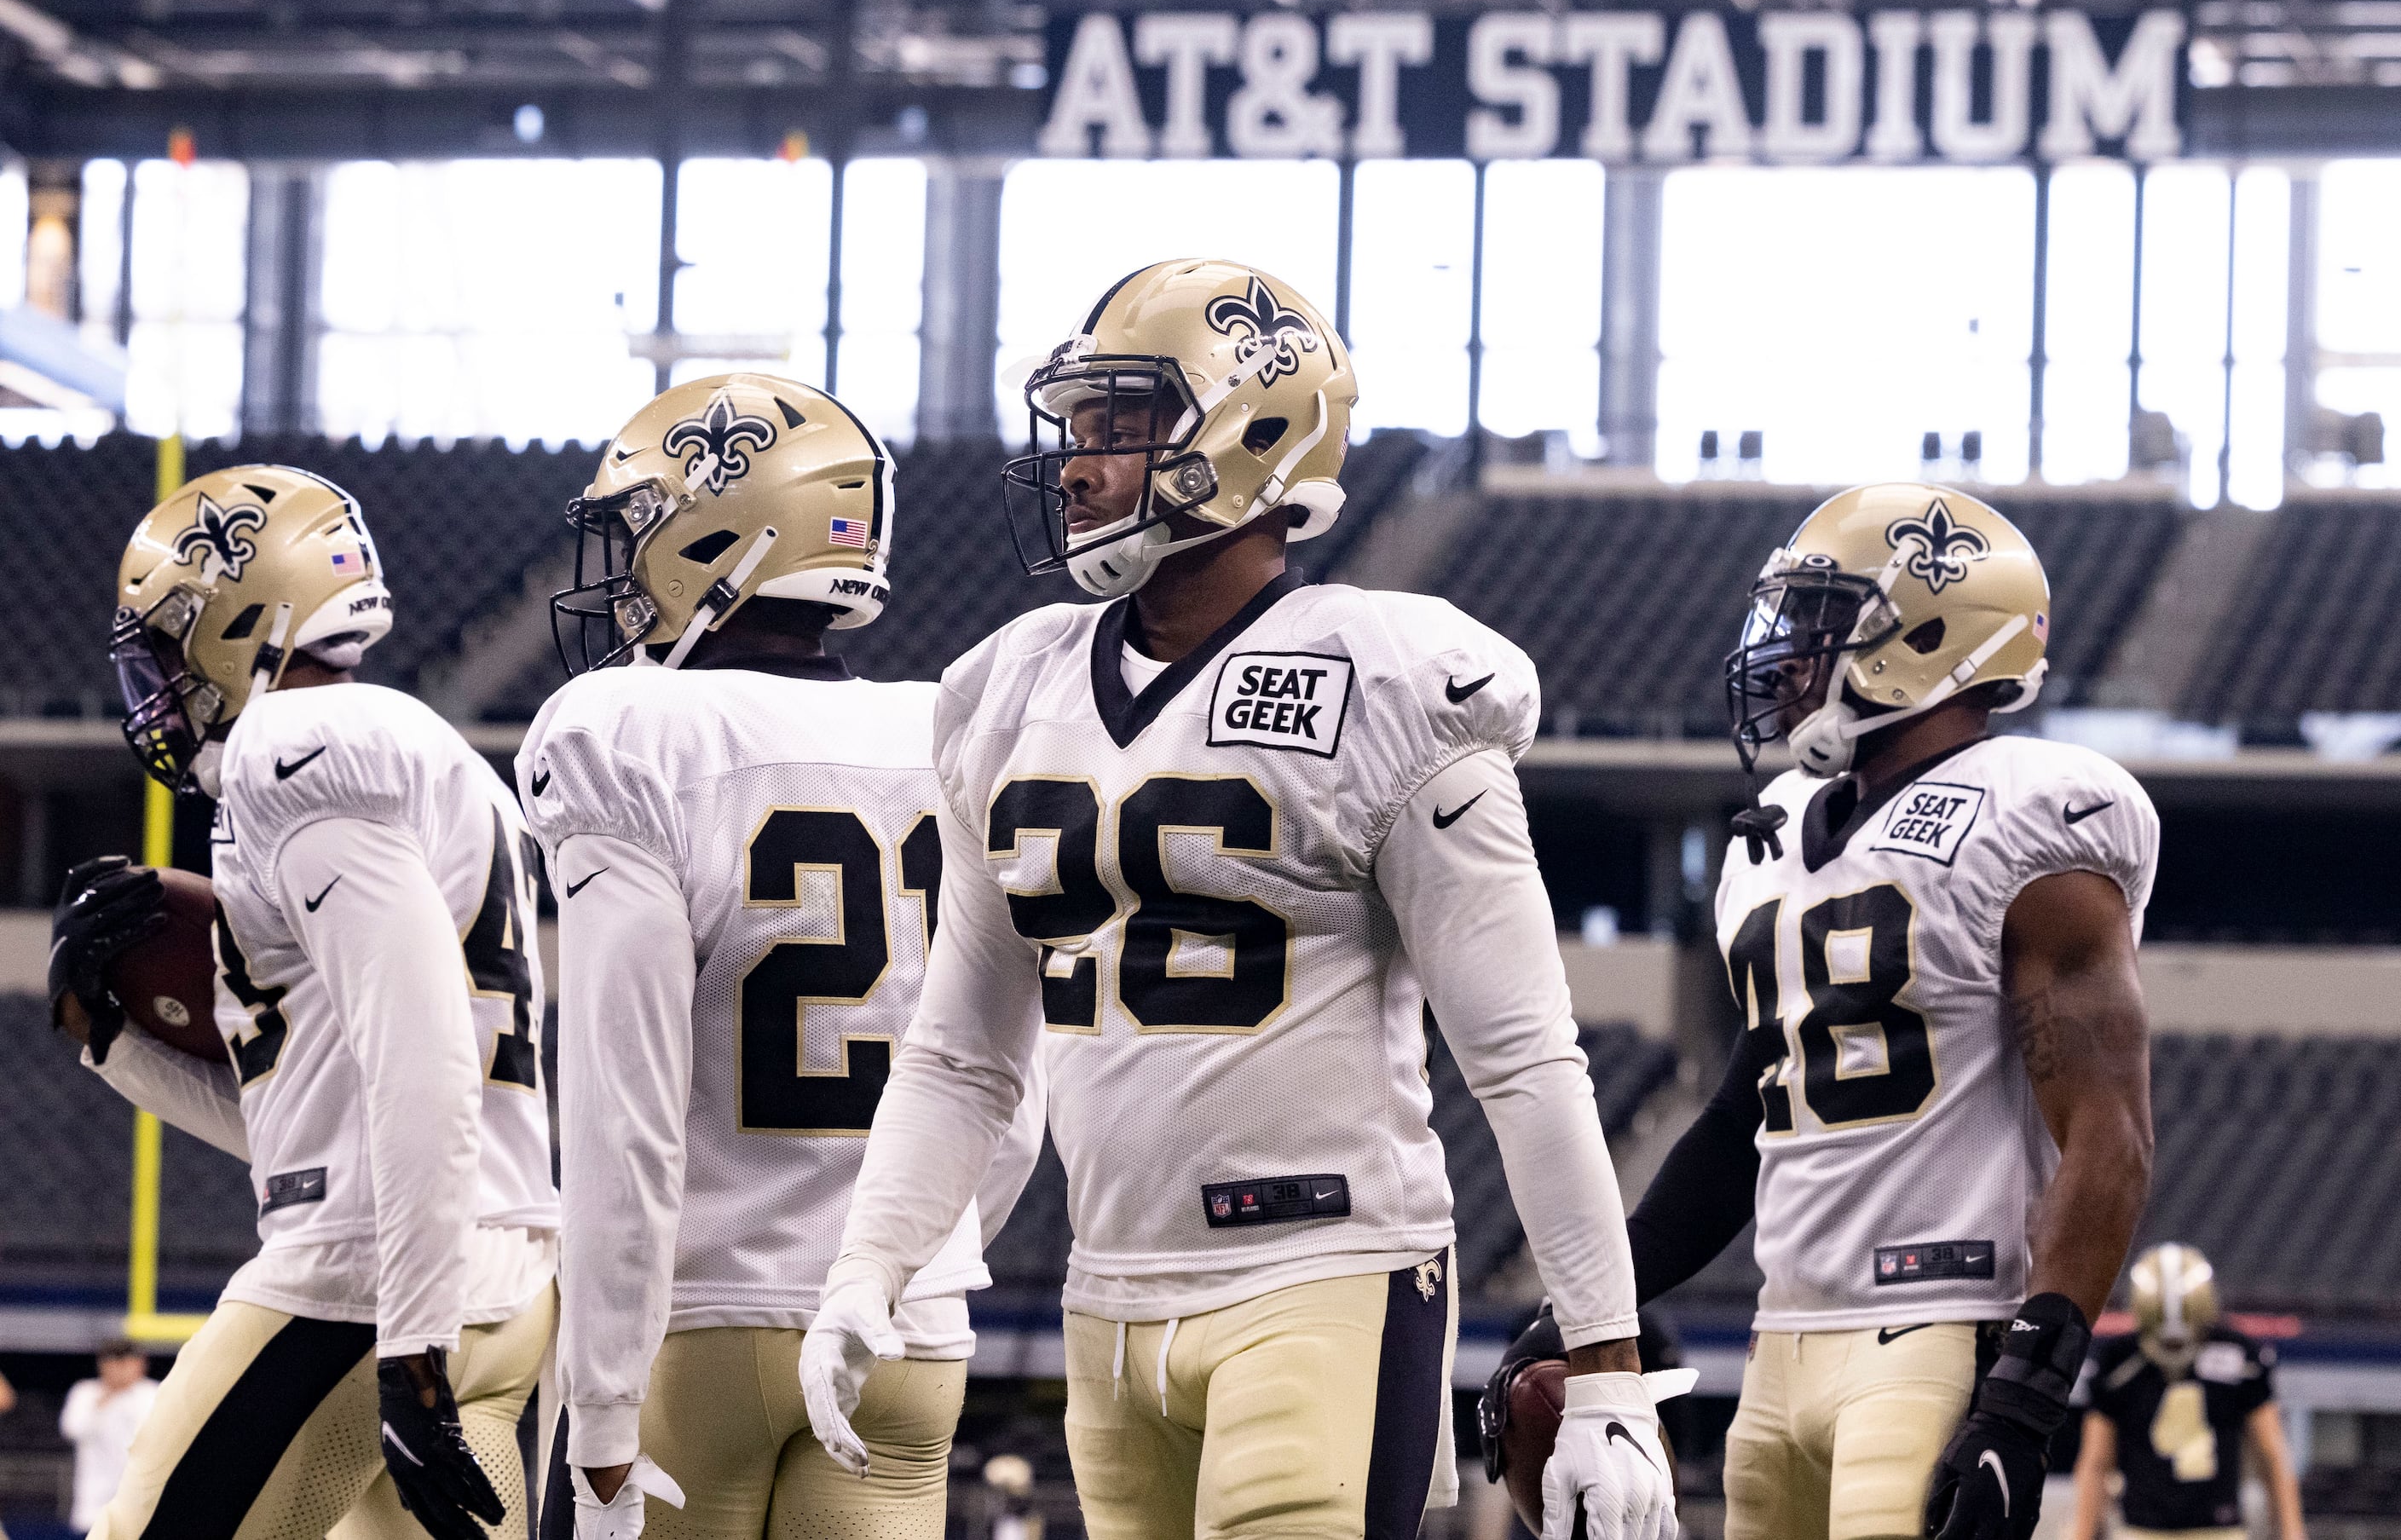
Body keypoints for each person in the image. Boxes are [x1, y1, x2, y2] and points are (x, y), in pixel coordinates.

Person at [800, 260, 1685, 1540]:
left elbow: (1527, 1058)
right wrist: (866, 1267)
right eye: (1078, 428)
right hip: (1103, 1298)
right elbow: (959, 1057)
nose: (1080, 464)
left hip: (1322, 1273)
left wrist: (1606, 1366)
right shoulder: (1005, 691)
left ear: (1249, 432)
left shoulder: (1385, 680)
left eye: (1121, 425)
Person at [518, 373, 1042, 1540]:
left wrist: (600, 1408)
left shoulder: (633, 730)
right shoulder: (947, 727)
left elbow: (624, 1110)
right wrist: (917, 1252)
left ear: (724, 528)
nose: (624, 565)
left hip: (698, 1323)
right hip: (906, 1331)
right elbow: (1006, 1089)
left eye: (642, 524)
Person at [1611, 485, 2158, 1540]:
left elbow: (2111, 1134)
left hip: (1935, 1336)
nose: (1787, 657)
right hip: (1781, 1344)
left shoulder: (2028, 815)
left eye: (1821, 625)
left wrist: (2027, 1396)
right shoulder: (1774, 831)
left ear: (1926, 634)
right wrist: (1594, 1299)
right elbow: (1743, 1119)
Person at [49, 464, 558, 1540]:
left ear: (249, 614)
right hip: (502, 1284)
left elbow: (425, 1063)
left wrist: (411, 1341)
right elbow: (323, 1139)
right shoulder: (434, 766)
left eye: (171, 644)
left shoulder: (296, 749)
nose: (162, 685)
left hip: (371, 1289)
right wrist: (115, 1051)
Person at [2069, 1243, 2306, 1540]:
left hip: (2205, 1529)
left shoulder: (2119, 1360)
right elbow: (2096, 1463)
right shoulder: (2237, 1353)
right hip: (2150, 1530)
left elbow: (2272, 1455)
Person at [61, 1341, 159, 1536]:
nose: (121, 1369)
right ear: (103, 1365)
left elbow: (158, 1435)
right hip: (94, 1502)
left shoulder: (153, 1393)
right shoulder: (85, 1392)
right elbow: (72, 1429)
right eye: (115, 1362)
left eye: (128, 1362)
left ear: (141, 1363)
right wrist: (107, 1397)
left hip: (140, 1501)